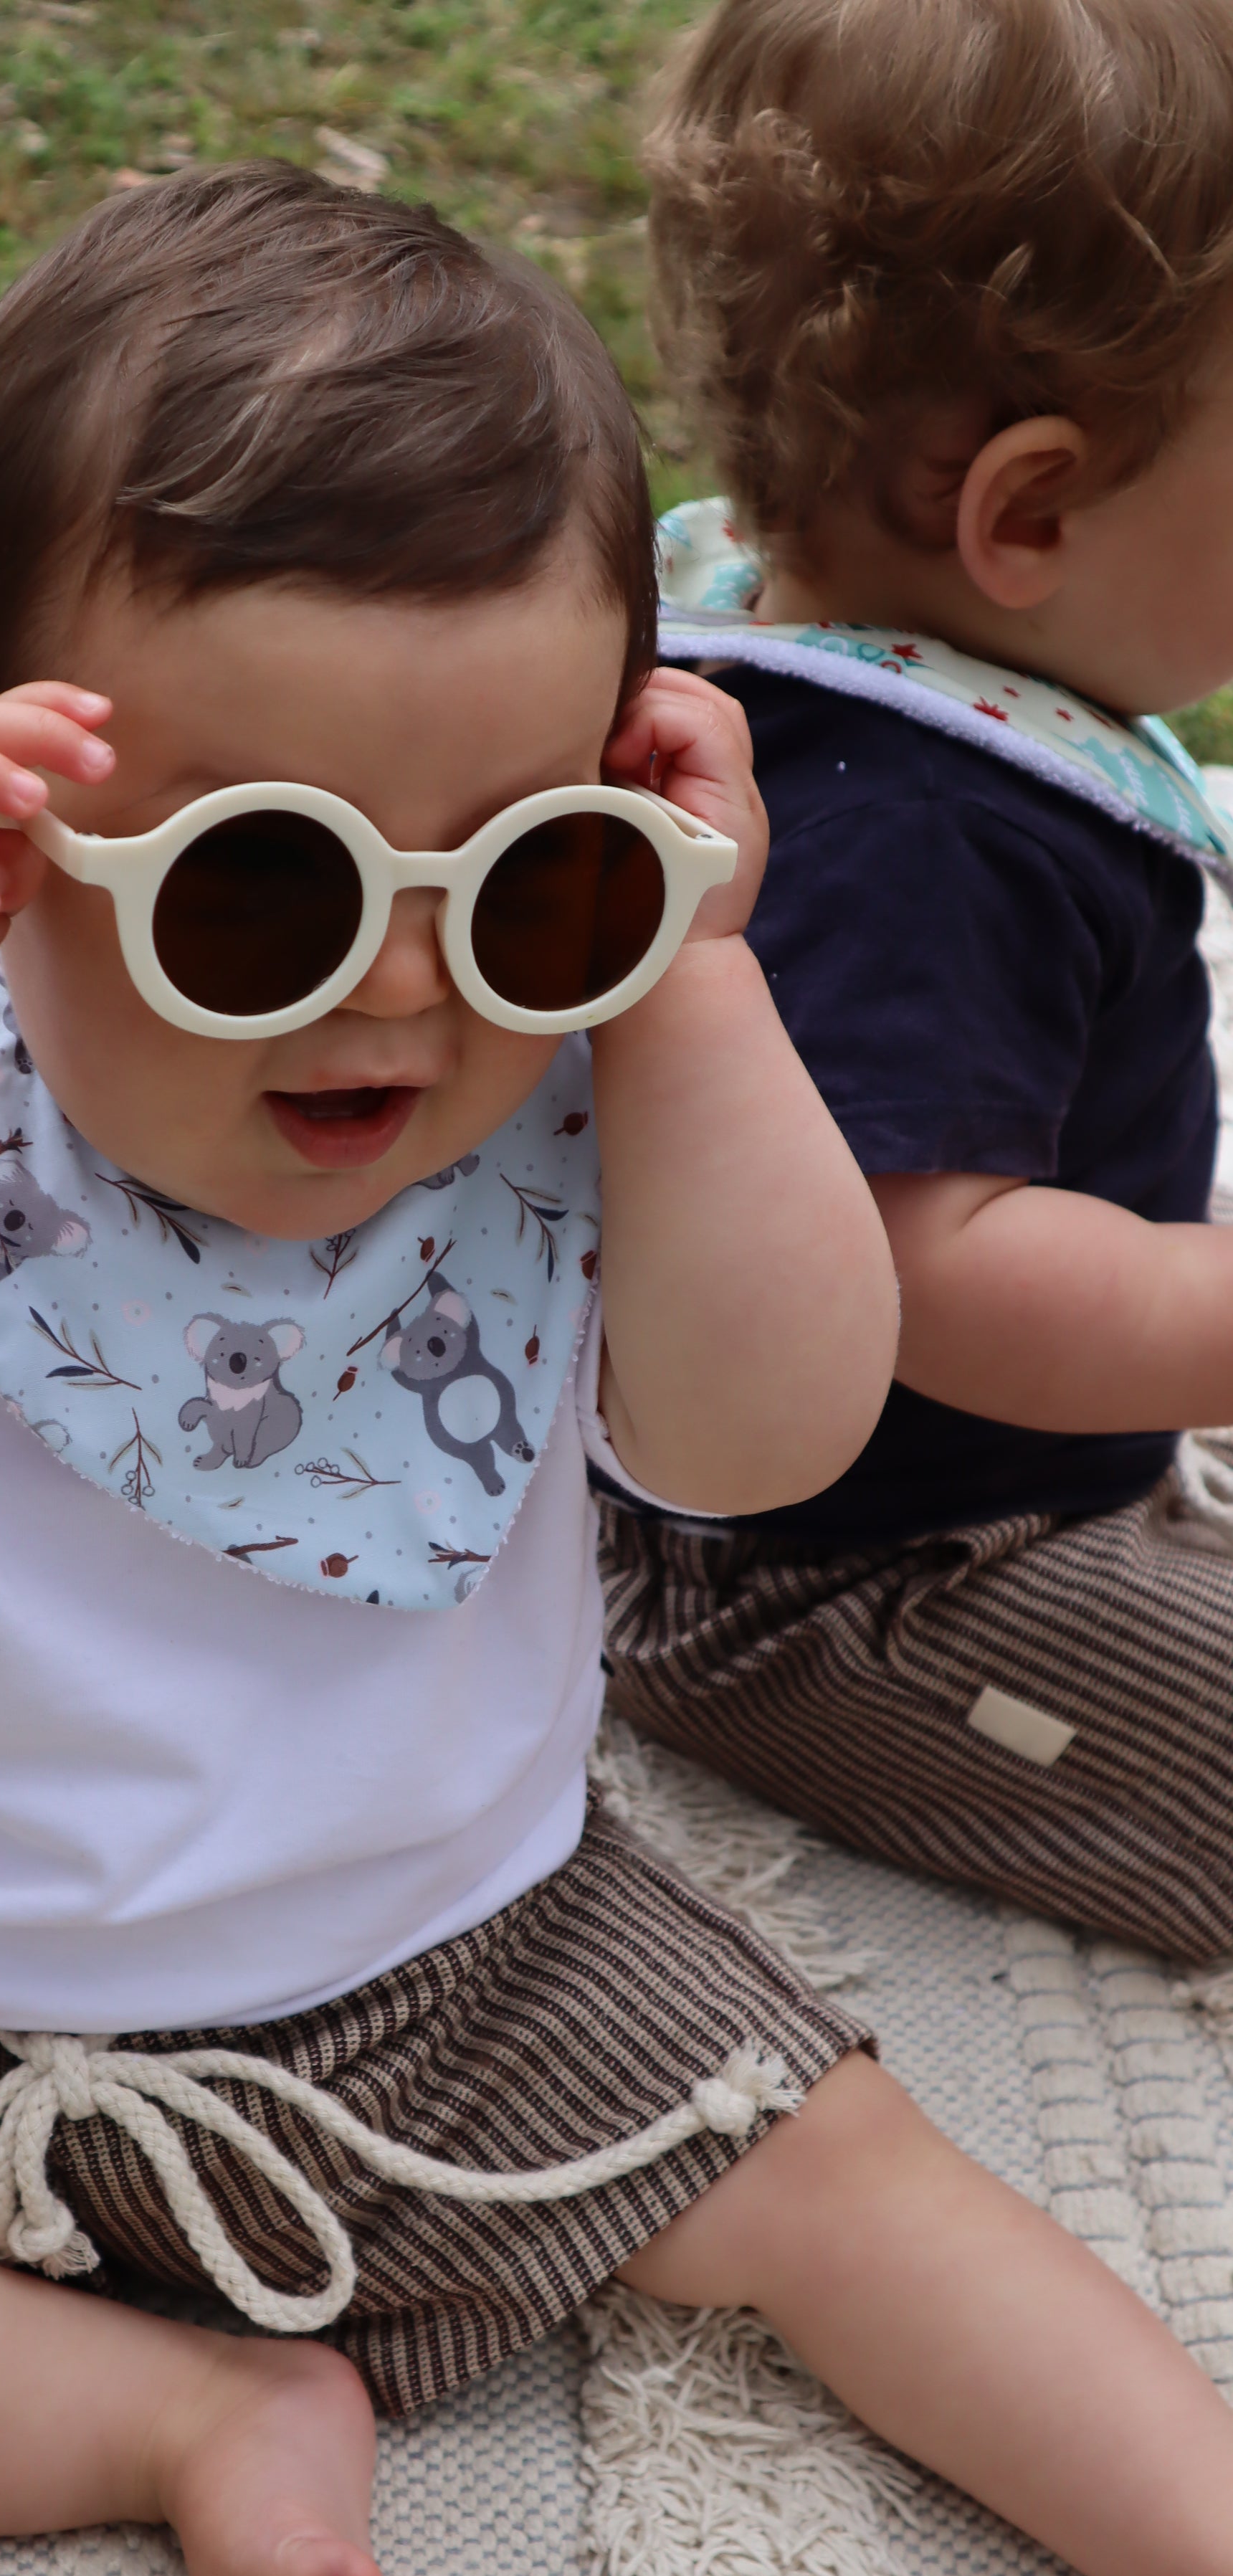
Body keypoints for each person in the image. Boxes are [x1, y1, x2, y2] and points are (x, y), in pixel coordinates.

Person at [0, 166, 1233, 2576]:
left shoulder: (573, 1112)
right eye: (269, 894)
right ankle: (186, 2408)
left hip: (469, 1942)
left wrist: (686, 980)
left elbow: (774, 1428)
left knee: (861, 2185)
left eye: (522, 879)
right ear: (1, 837)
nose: (407, 994)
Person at [602, 0, 1233, 1963]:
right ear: (1028, 512)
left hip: (969, 1475)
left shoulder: (794, 619)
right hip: (833, 1568)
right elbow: (922, 1275)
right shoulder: (916, 834)